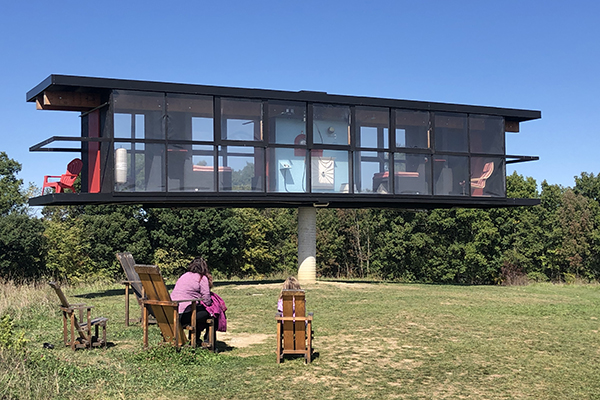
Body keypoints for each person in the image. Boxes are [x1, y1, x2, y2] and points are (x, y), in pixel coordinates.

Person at [171, 257, 214, 345]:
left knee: (197, 312)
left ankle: (196, 340)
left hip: (172, 312)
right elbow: (206, 299)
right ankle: (208, 342)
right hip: (184, 315)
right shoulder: (201, 278)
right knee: (211, 314)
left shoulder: (184, 276)